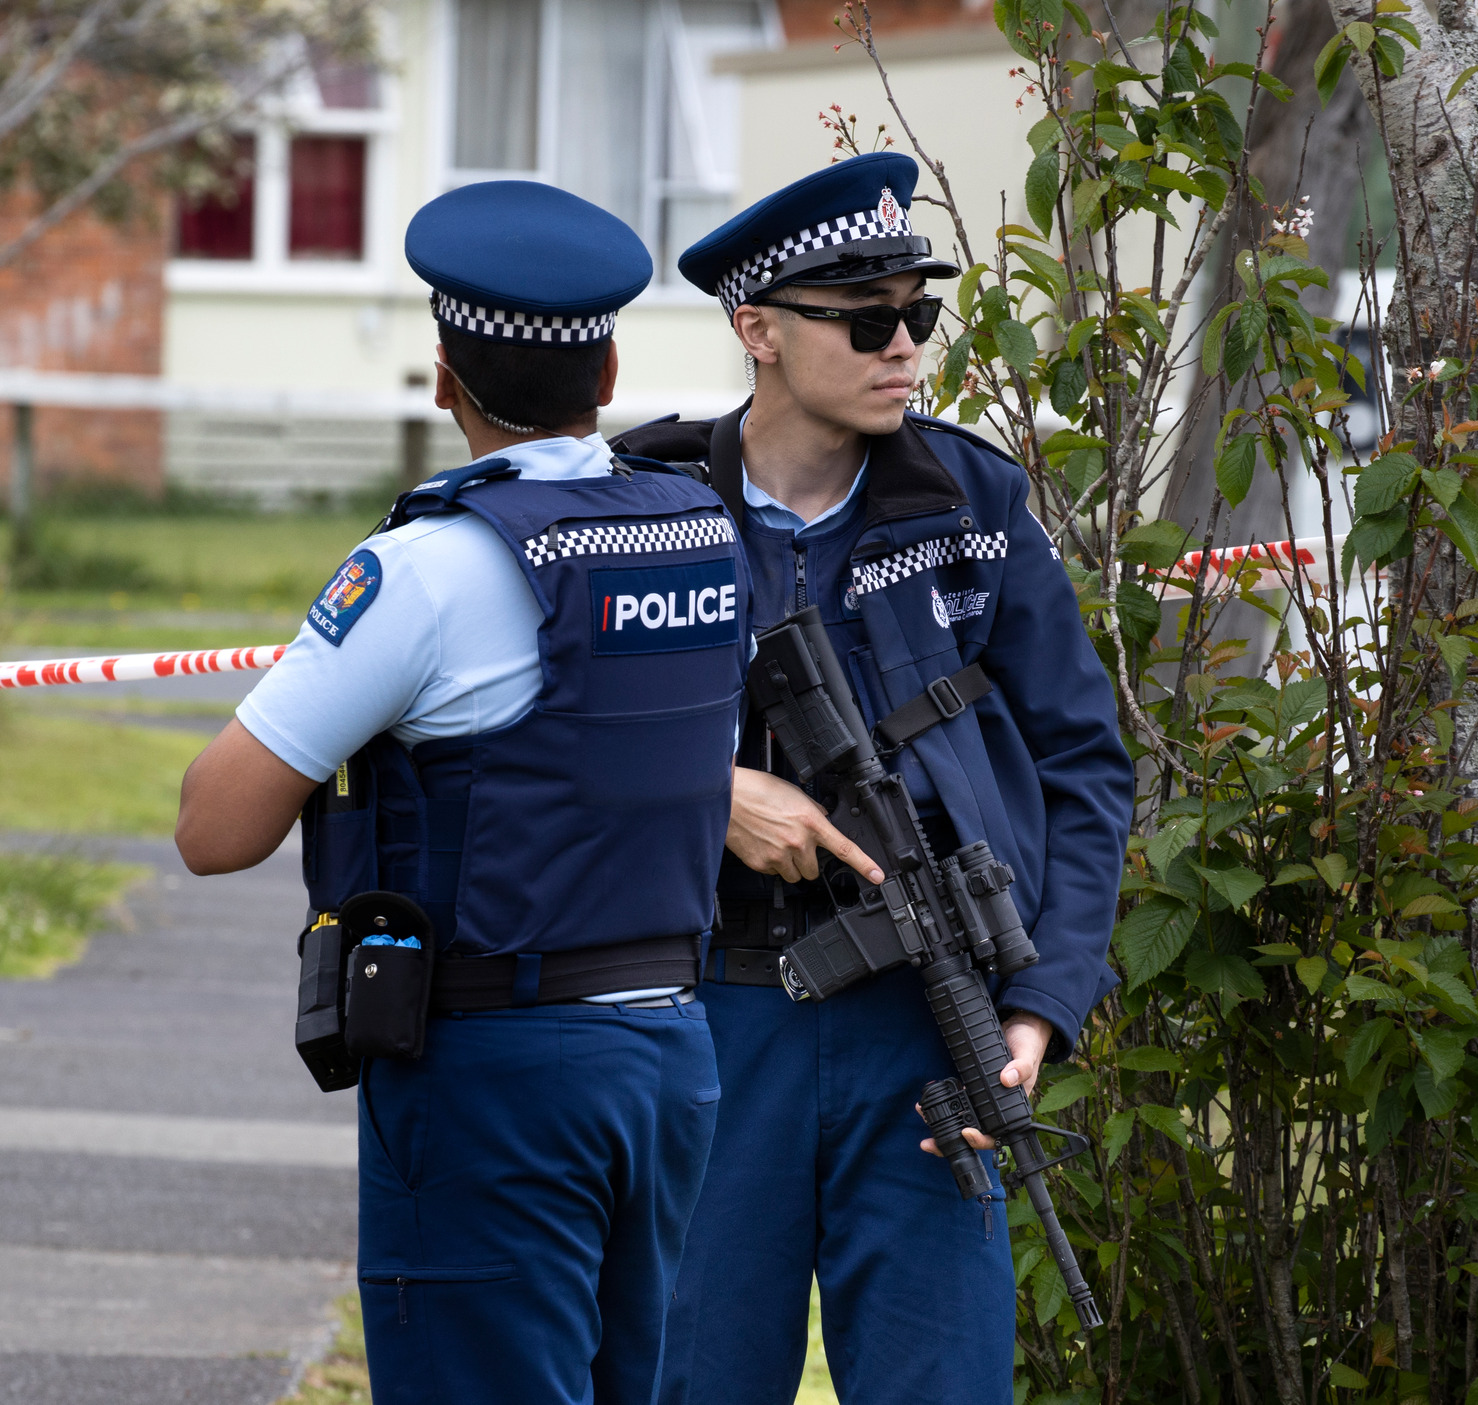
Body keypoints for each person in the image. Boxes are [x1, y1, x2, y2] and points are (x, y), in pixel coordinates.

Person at [173, 180, 756, 1405]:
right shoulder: (699, 533)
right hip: (669, 1061)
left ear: (445, 377)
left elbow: (214, 828)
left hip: (501, 1069)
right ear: (604, 369)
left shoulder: (430, 568)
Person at [610, 152, 1133, 1405]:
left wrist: (1042, 1003)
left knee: (943, 1378)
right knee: (691, 1376)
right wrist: (711, 793)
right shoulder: (644, 506)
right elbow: (532, 742)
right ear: (760, 332)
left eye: (919, 314)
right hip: (712, 1017)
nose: (905, 347)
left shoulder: (971, 500)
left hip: (927, 1029)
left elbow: (1086, 764)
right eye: (866, 320)